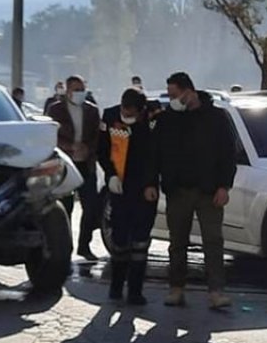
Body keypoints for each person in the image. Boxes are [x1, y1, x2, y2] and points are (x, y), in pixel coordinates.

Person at [146, 72, 237, 309]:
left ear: (189, 91)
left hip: (209, 191)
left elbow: (229, 154)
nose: (173, 99)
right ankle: (176, 289)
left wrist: (224, 186)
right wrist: (151, 183)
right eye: (170, 95)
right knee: (177, 242)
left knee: (213, 242)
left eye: (175, 95)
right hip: (178, 191)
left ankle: (216, 292)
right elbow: (155, 154)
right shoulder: (168, 120)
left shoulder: (217, 117)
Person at [99, 87, 158, 305]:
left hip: (144, 189)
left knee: (141, 242)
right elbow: (102, 150)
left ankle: (135, 291)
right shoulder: (110, 117)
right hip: (119, 187)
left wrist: (151, 183)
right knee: (120, 239)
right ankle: (116, 287)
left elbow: (156, 155)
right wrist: (111, 175)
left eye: (132, 112)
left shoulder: (151, 122)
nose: (127, 114)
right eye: (125, 109)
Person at [47, 75, 104, 260]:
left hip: (86, 163)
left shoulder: (91, 110)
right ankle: (65, 247)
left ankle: (84, 245)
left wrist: (88, 149)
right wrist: (69, 147)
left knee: (91, 206)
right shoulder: (56, 110)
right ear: (67, 90)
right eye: (76, 90)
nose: (80, 93)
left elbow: (98, 135)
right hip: (65, 162)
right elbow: (51, 134)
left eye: (82, 89)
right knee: (65, 207)